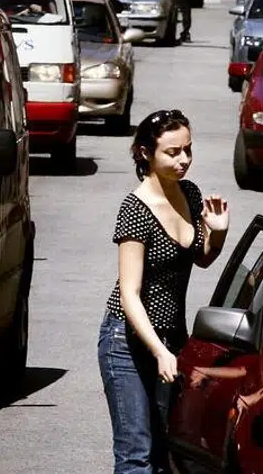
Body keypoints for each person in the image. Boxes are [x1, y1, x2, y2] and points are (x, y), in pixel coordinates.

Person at [99, 110, 229, 474]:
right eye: (172, 152)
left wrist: (216, 232)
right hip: (127, 342)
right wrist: (158, 351)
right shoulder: (135, 209)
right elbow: (129, 295)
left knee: (164, 451)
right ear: (145, 154)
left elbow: (201, 258)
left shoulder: (189, 193)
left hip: (171, 340)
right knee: (136, 452)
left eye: (188, 149)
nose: (184, 159)